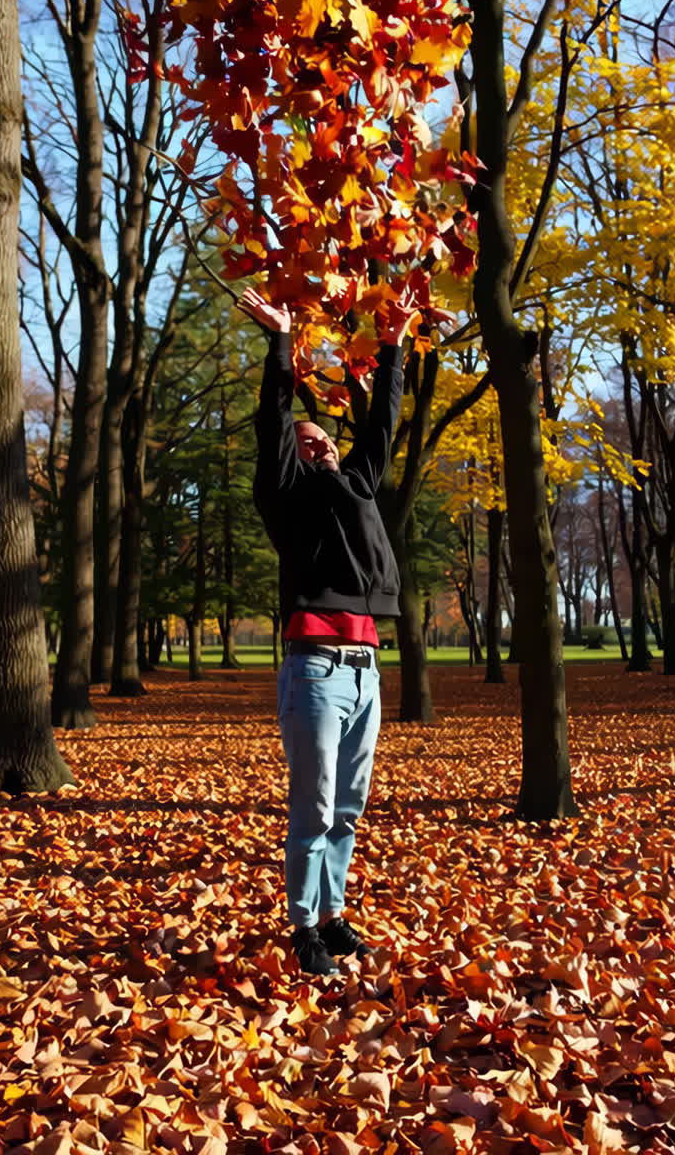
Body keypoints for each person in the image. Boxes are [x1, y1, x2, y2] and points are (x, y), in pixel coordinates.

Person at [237, 284, 420, 975]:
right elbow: (273, 418)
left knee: (348, 806)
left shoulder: (361, 485)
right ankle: (303, 927)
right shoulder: (286, 496)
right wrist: (280, 340)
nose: (317, 447)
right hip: (313, 669)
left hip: (366, 668)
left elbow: (383, 428)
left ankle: (333, 913)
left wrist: (395, 344)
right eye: (304, 443)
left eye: (323, 440)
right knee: (313, 807)